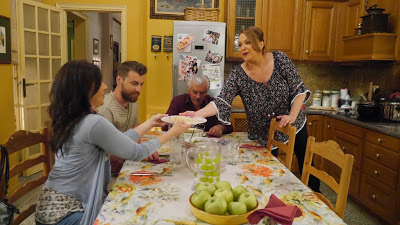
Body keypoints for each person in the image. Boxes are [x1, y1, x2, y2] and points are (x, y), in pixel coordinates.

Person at [35, 60, 190, 225]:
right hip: (66, 215)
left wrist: (150, 123)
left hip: (49, 209)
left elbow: (119, 140)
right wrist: (173, 132)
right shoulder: (93, 122)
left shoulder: (75, 119)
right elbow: (136, 152)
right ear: (84, 90)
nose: (105, 87)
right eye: (99, 82)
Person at [181, 27, 320, 192]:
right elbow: (221, 101)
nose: (243, 47)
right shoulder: (238, 75)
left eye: (248, 42)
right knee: (268, 179)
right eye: (240, 44)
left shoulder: (280, 59)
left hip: (294, 125)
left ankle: (316, 196)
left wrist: (292, 115)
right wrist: (196, 115)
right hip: (263, 133)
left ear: (261, 44)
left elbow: (299, 90)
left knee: (308, 169)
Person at [97, 61, 149, 175]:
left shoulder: (132, 101)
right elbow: (108, 151)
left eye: (141, 84)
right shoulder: (105, 109)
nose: (139, 90)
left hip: (127, 166)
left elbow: (136, 130)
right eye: (134, 83)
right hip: (108, 174)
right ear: (119, 80)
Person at [162, 74, 233, 137]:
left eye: (202, 93)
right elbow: (165, 126)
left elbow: (229, 126)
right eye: (195, 92)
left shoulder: (213, 103)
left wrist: (220, 128)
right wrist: (175, 125)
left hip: (206, 144)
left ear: (207, 90)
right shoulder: (178, 101)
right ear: (188, 89)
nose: (198, 96)